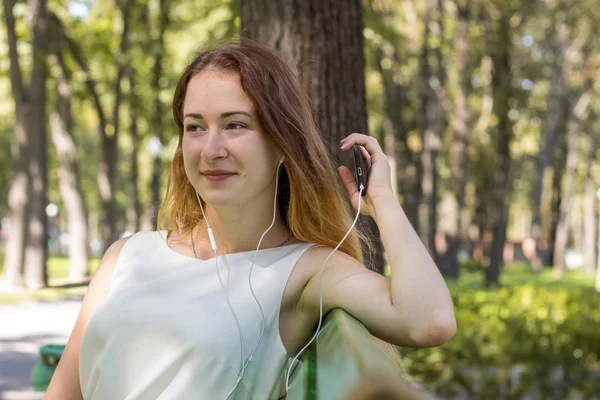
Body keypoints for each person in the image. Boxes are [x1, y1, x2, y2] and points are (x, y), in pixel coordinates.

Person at [45, 38, 456, 400]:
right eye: (195, 127)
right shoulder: (126, 256)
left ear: (282, 143)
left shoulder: (305, 271)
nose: (211, 148)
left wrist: (383, 200)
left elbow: (429, 321)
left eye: (235, 125)